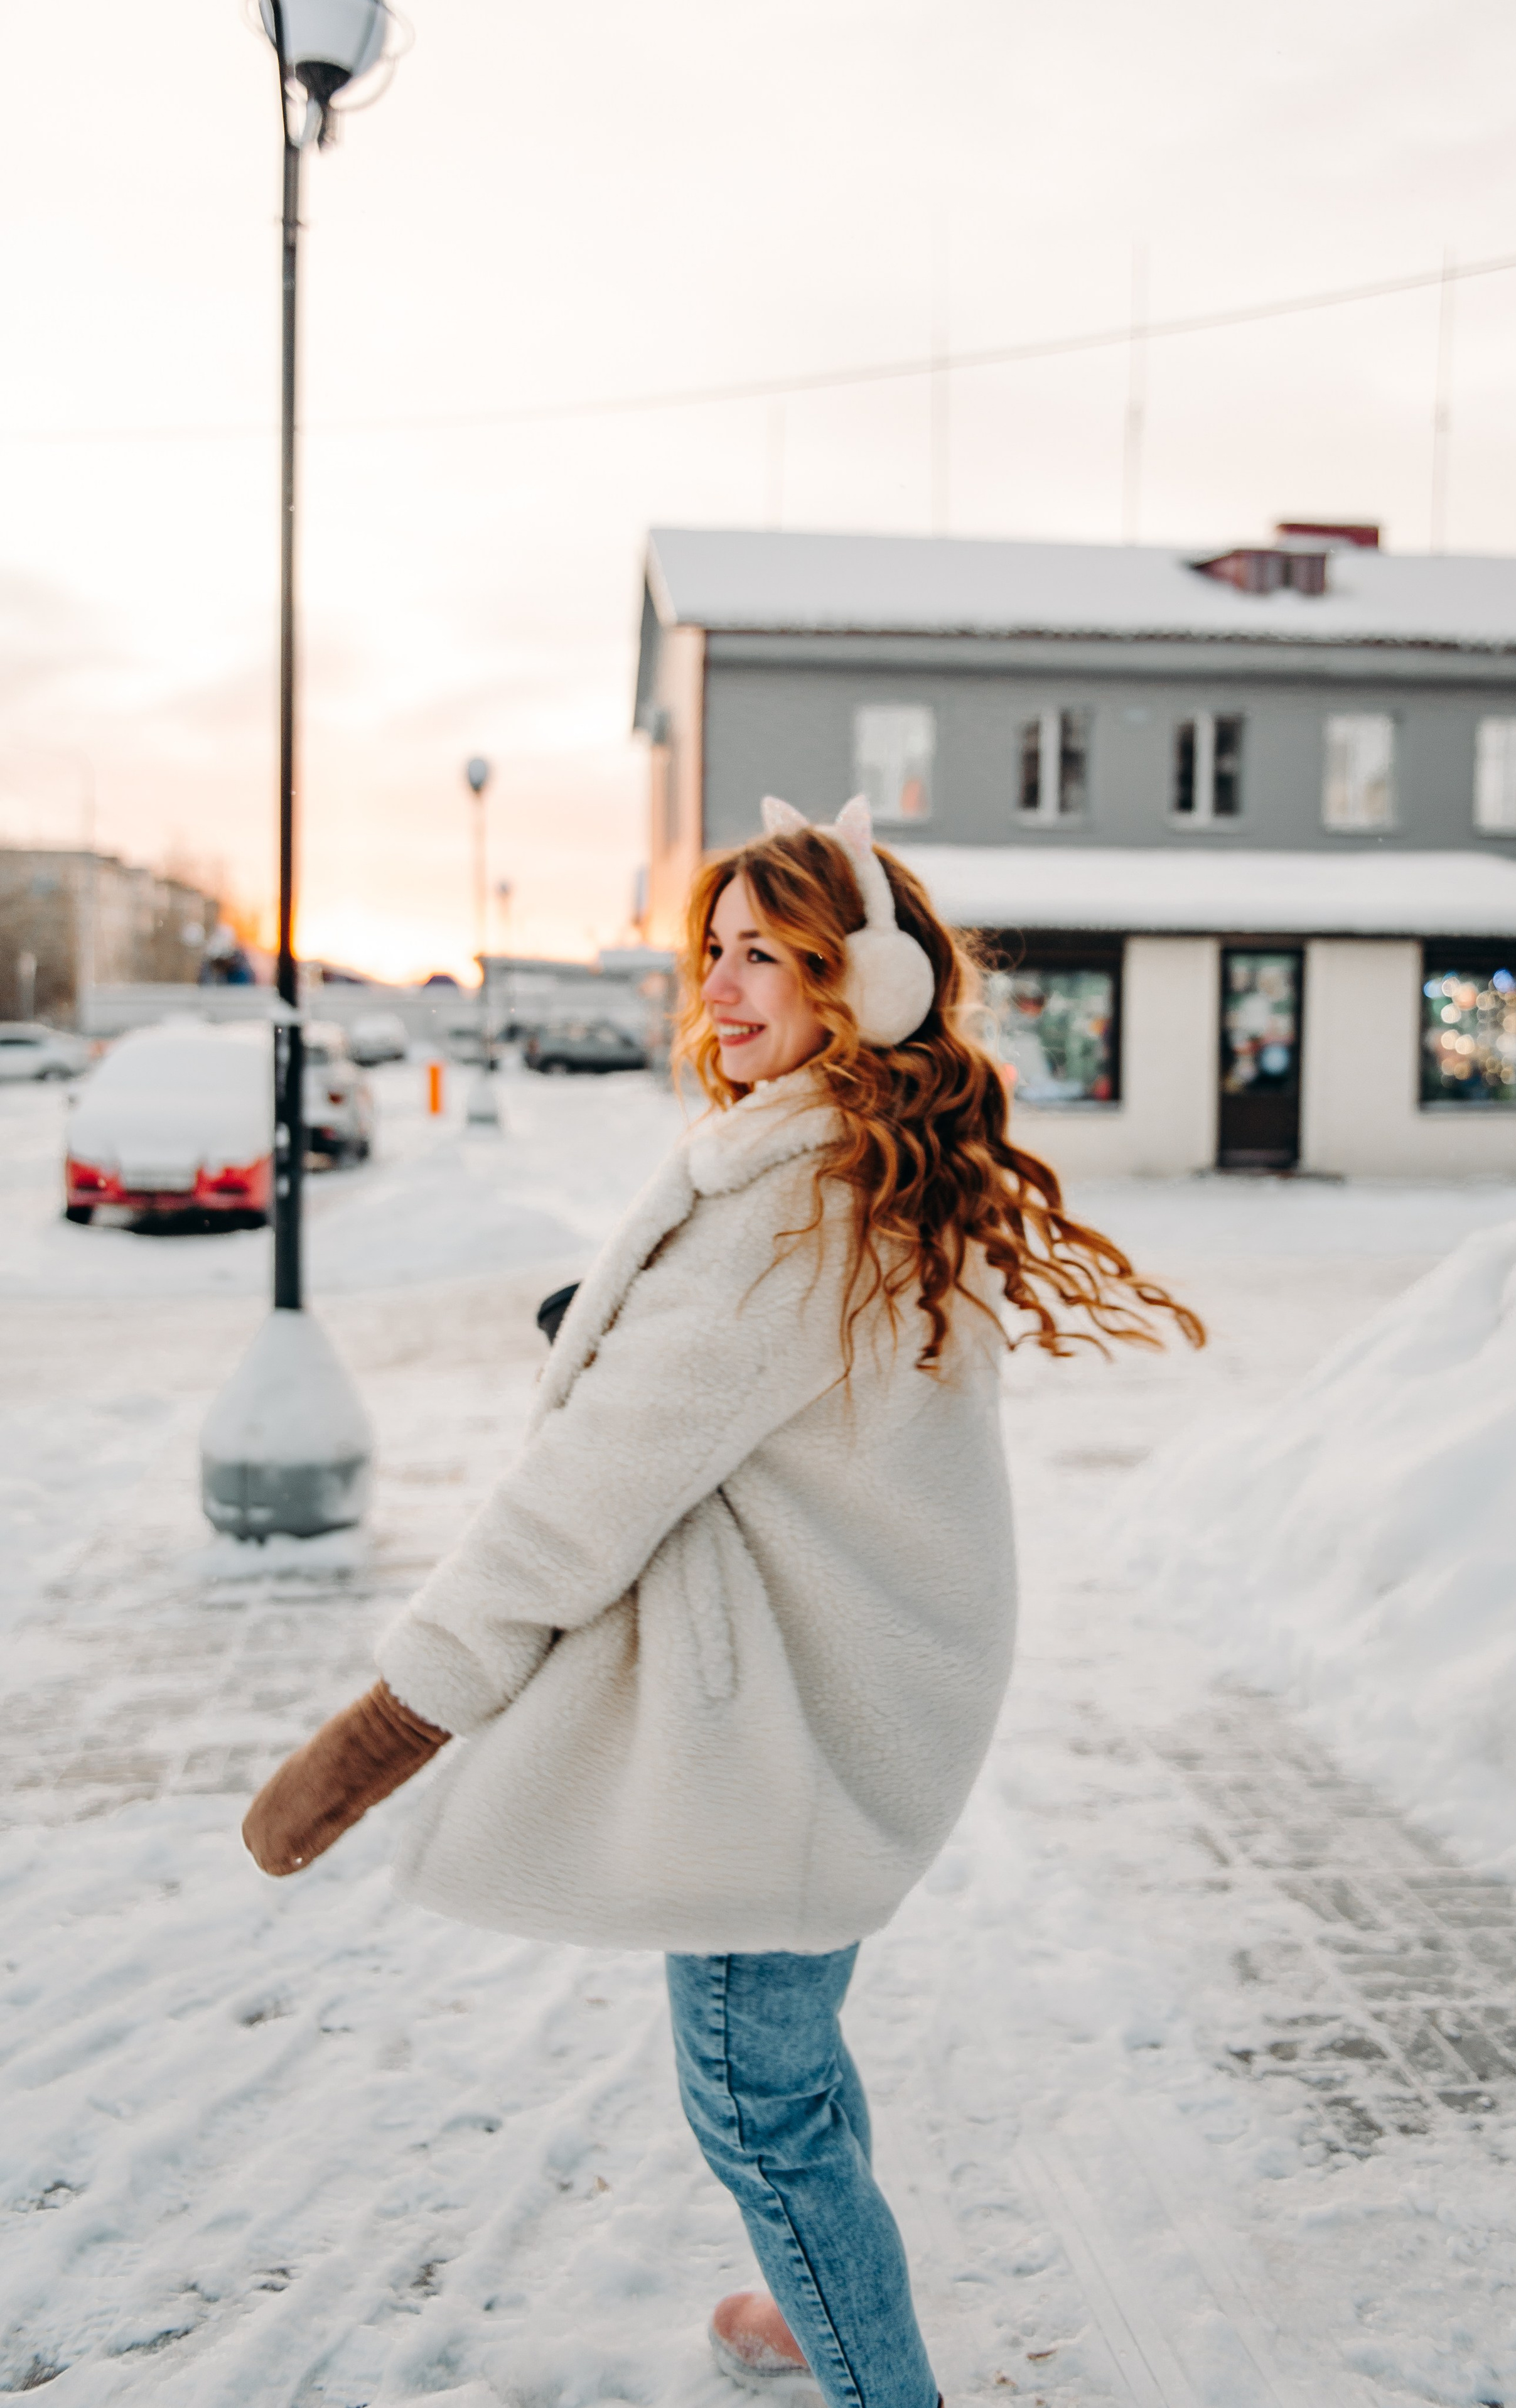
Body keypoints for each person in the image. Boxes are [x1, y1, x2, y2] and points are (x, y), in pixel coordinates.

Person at [242, 795, 1202, 2408]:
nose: (726, 984)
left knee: (757, 2102)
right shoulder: (859, 1157)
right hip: (854, 1695)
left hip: (778, 1733)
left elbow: (580, 1502)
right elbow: (759, 1388)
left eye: (771, 954)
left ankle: (873, 2376)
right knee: (795, 2068)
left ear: (860, 987)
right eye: (716, 950)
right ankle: (810, 2290)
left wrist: (389, 1721)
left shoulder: (786, 1202)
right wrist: (621, 1323)